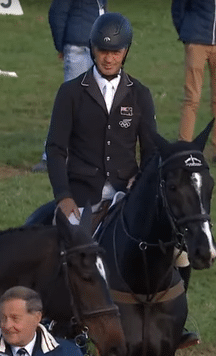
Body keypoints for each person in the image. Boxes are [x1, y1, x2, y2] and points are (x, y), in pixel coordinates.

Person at [45, 12, 156, 223]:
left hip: (127, 193)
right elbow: (55, 148)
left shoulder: (140, 94)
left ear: (126, 51)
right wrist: (63, 195)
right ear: (93, 49)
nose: (109, 59)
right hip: (81, 195)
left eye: (116, 52)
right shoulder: (70, 93)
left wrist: (139, 180)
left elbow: (151, 150)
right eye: (103, 51)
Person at [31, 0, 106, 173]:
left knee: (75, 103)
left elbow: (57, 13)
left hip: (86, 44)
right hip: (90, 44)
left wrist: (61, 45)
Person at [172, 0, 216, 163]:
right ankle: (184, 147)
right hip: (196, 42)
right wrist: (187, 31)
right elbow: (178, 9)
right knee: (191, 98)